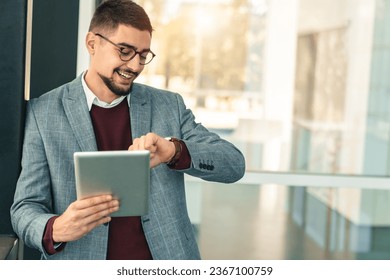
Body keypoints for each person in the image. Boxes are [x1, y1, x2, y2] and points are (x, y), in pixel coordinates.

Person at [10, 0, 245, 260]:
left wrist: (173, 151)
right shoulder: (43, 113)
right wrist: (56, 228)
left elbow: (234, 164)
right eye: (124, 51)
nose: (135, 65)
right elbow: (24, 208)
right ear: (92, 43)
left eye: (143, 55)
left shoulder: (169, 106)